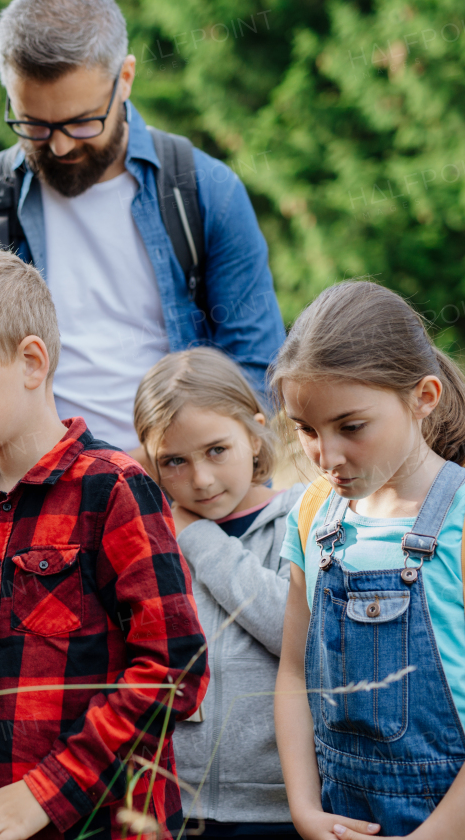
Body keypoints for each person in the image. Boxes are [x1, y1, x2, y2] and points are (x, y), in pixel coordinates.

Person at [0, 243, 208, 840]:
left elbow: (175, 668)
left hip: (104, 824)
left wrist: (45, 793)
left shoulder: (114, 487)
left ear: (32, 363)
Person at [0, 0, 284, 452]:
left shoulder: (206, 193)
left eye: (81, 123)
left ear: (126, 78)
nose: (59, 146)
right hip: (35, 495)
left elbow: (258, 371)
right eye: (33, 125)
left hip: (177, 495)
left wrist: (156, 467)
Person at [272, 281, 465, 840]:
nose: (327, 456)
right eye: (307, 430)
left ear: (424, 396)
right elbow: (292, 675)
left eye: (351, 427)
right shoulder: (312, 515)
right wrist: (305, 810)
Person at [132, 347, 301, 838]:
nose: (200, 479)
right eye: (174, 461)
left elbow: (289, 628)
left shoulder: (302, 519)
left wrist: (199, 538)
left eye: (216, 450)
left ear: (253, 433)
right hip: (170, 806)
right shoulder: (151, 539)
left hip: (279, 809)